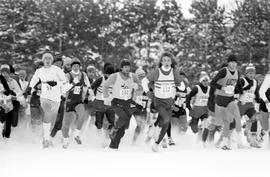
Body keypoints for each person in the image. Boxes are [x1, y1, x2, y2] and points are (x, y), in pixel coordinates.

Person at [141, 52, 182, 152]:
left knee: (164, 123)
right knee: (166, 119)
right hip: (158, 102)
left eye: (168, 60)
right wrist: (147, 92)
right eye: (164, 60)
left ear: (171, 62)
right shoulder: (156, 72)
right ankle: (156, 135)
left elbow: (181, 86)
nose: (166, 62)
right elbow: (144, 81)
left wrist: (181, 85)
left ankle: (155, 142)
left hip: (170, 102)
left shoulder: (174, 72)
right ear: (161, 62)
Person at [27, 52, 67, 148]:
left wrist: (56, 83)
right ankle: (45, 139)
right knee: (47, 113)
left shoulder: (57, 69)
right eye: (46, 59)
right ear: (43, 60)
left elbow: (65, 80)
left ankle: (47, 137)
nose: (48, 60)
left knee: (52, 120)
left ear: (51, 61)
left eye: (49, 59)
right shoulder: (39, 71)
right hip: (44, 96)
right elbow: (34, 80)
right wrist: (29, 88)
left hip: (56, 97)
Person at [103, 59, 141, 150]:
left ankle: (113, 146)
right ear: (121, 68)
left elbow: (140, 87)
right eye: (125, 67)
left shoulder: (133, 76)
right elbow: (105, 85)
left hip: (127, 103)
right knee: (123, 118)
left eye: (128, 67)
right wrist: (106, 96)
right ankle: (114, 130)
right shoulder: (115, 76)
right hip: (117, 102)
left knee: (123, 129)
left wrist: (137, 86)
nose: (127, 68)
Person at [210, 54, 243, 150]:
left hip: (230, 98)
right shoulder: (223, 71)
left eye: (235, 62)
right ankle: (224, 144)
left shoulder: (237, 72)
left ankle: (240, 142)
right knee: (223, 122)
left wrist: (241, 94)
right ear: (228, 63)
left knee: (237, 117)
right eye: (231, 62)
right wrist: (222, 87)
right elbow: (213, 82)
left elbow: (239, 85)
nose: (233, 64)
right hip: (220, 99)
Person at [62, 58, 91, 148]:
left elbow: (88, 86)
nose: (76, 67)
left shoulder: (83, 75)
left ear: (80, 66)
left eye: (77, 65)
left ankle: (76, 134)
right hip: (69, 102)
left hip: (78, 101)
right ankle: (65, 140)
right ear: (71, 67)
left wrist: (91, 96)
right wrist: (72, 83)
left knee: (82, 114)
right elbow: (63, 89)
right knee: (65, 126)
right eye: (74, 65)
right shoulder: (68, 75)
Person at [237, 64, 261, 148]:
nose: (251, 75)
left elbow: (256, 93)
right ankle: (234, 140)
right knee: (235, 122)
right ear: (246, 74)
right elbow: (237, 89)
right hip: (241, 104)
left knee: (254, 119)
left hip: (250, 104)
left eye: (253, 73)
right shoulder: (242, 80)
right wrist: (244, 88)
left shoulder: (255, 82)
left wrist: (259, 100)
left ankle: (252, 140)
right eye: (249, 73)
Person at [186, 72, 210, 142]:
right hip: (196, 110)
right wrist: (189, 107)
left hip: (205, 110)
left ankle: (202, 141)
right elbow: (188, 97)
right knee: (194, 130)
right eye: (204, 81)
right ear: (201, 81)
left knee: (205, 125)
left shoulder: (209, 89)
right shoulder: (196, 88)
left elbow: (212, 99)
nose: (205, 82)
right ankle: (191, 122)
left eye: (207, 80)